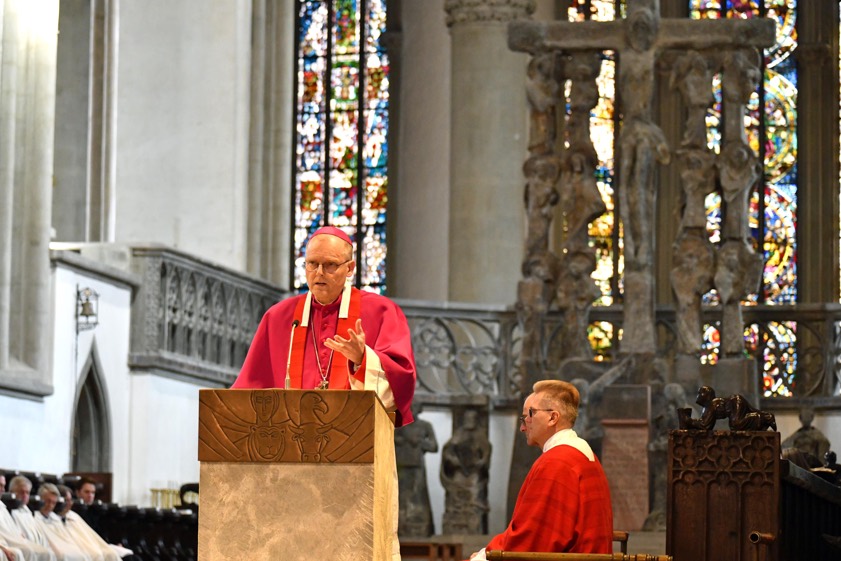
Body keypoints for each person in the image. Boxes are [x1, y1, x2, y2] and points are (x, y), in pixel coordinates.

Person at [232, 226, 417, 427]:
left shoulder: (382, 312)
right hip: (289, 436)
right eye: (312, 264)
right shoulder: (278, 318)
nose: (319, 273)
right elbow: (247, 392)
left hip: (353, 435)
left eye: (330, 265)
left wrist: (362, 359)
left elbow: (402, 380)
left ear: (350, 268)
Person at [468, 380, 613, 560]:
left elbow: (532, 539)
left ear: (553, 418)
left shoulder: (557, 463)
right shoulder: (581, 454)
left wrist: (484, 556)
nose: (522, 427)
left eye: (529, 416)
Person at [34, 484, 92, 561]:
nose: (50, 505)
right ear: (40, 500)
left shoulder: (55, 519)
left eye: (53, 502)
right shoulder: (34, 517)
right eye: (47, 501)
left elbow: (66, 539)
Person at [4, 476, 57, 561]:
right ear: (11, 492)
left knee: (50, 552)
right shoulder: (10, 510)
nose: (25, 495)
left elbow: (39, 535)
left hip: (35, 547)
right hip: (22, 547)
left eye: (27, 492)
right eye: (21, 492)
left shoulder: (29, 511)